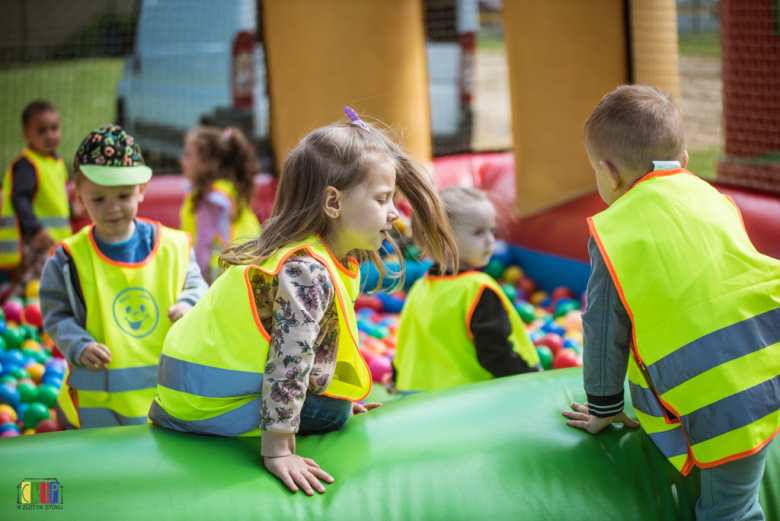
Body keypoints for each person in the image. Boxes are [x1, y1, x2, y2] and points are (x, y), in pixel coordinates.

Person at [149, 107, 458, 496]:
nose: (395, 213)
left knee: (334, 401)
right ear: (333, 203)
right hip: (205, 404)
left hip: (182, 394)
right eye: (383, 199)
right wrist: (278, 449)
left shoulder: (309, 255)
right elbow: (289, 361)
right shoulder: (307, 271)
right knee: (335, 414)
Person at [562, 85, 780, 521]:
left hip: (731, 392)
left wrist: (604, 408)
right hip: (766, 359)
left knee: (730, 511)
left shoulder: (614, 231)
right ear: (683, 162)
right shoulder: (712, 199)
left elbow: (603, 326)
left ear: (609, 174)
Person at [40, 125, 208, 429]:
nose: (112, 208)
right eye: (98, 199)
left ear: (142, 190)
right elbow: (55, 312)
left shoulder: (173, 246)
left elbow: (197, 285)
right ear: (79, 196)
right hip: (97, 410)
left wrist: (189, 303)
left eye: (123, 195)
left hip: (166, 403)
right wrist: (77, 345)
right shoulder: (67, 258)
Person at [393, 187, 540, 394]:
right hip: (469, 399)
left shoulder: (421, 287)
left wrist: (395, 376)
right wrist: (531, 378)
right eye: (479, 232)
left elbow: (407, 342)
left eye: (491, 230)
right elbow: (495, 352)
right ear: (442, 239)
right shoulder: (477, 288)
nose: (491, 240)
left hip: (417, 395)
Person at [0, 101, 75, 289]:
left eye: (54, 128)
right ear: (26, 134)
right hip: (36, 240)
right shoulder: (27, 164)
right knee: (36, 281)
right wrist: (35, 230)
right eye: (41, 131)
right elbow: (20, 199)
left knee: (51, 279)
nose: (50, 135)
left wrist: (72, 209)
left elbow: (52, 199)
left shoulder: (55, 162)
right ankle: (16, 308)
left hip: (53, 240)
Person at [179, 125, 261, 282]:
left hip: (223, 278)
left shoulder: (212, 198)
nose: (182, 161)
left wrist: (194, 282)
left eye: (188, 155)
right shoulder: (228, 190)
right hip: (244, 275)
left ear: (206, 163)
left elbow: (204, 242)